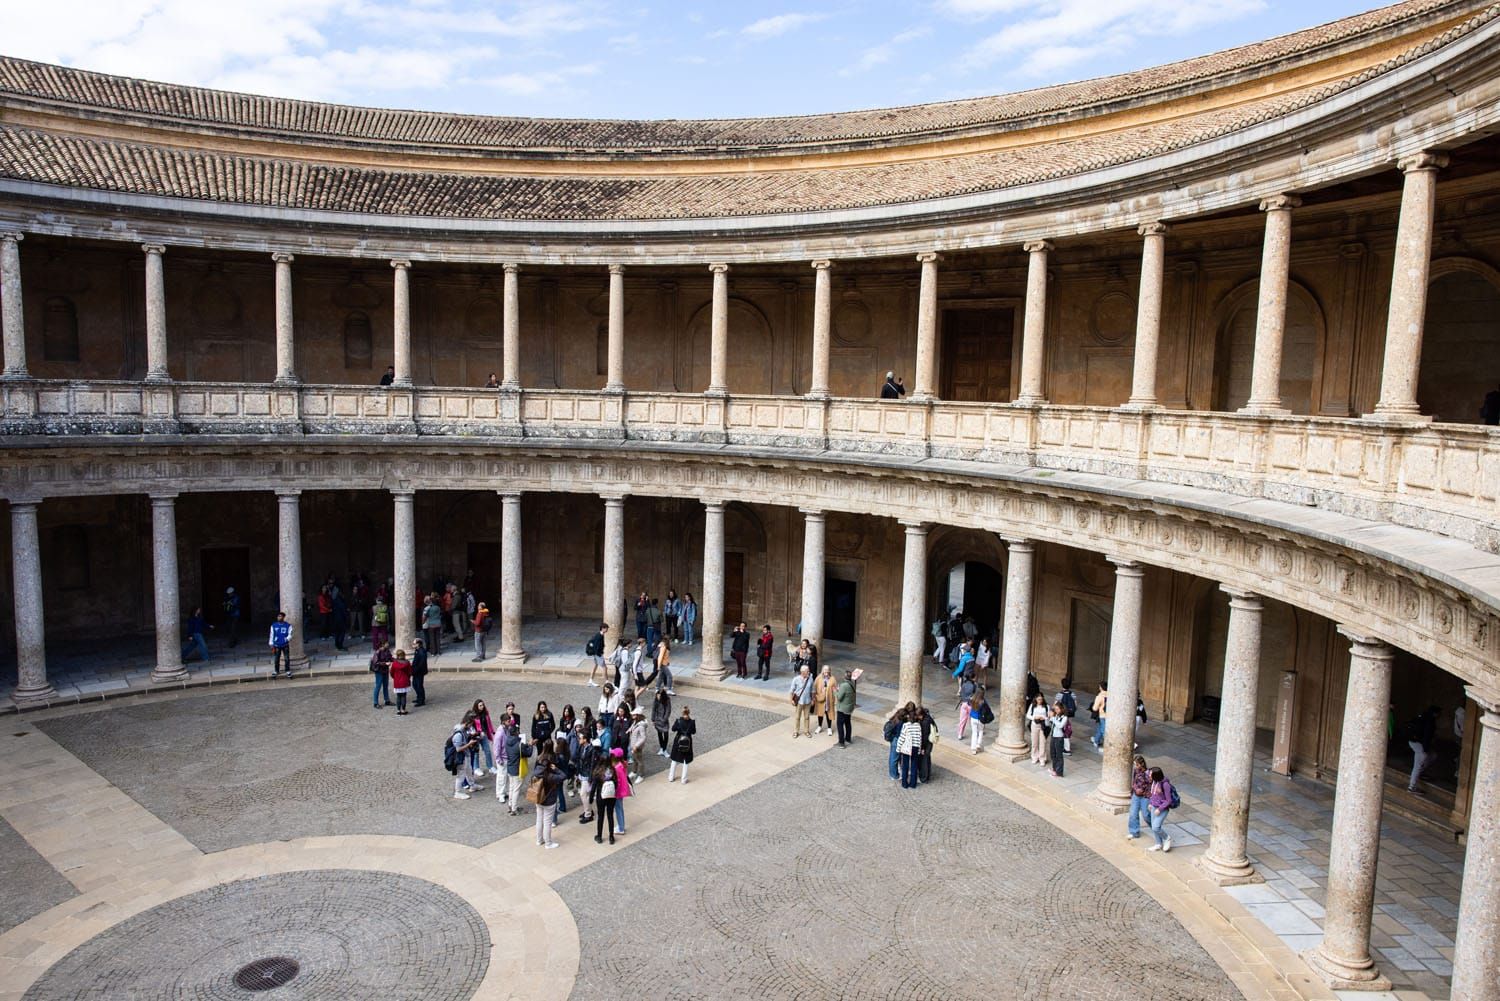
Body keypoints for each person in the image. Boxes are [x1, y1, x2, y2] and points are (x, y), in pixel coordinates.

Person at [1405, 705, 1441, 792]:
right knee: (1419, 762)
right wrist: (1425, 749)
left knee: (1433, 755)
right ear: (1435, 713)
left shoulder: (1423, 717)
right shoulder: (1429, 721)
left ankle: (1420, 772)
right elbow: (1427, 736)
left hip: (1414, 742)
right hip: (1417, 744)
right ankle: (1411, 787)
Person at [531, 752, 563, 849]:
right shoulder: (550, 776)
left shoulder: (536, 773)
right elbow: (563, 776)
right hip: (549, 800)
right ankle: (548, 843)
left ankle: (539, 840)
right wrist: (556, 769)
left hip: (538, 799)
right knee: (547, 822)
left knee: (539, 820)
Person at [500, 722, 531, 814]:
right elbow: (528, 753)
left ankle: (510, 805)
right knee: (516, 789)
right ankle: (514, 808)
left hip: (510, 767)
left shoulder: (507, 742)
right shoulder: (519, 744)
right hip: (517, 769)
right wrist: (530, 745)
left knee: (511, 788)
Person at [1147, 766, 1177, 852]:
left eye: (1151, 774)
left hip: (1162, 809)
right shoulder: (1154, 782)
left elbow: (1168, 800)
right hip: (1153, 806)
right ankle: (1158, 844)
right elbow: (1153, 794)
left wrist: (1159, 809)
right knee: (1154, 826)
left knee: (1156, 827)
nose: (1149, 775)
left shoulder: (1165, 785)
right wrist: (1150, 803)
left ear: (1156, 775)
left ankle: (1167, 838)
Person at [589, 759, 617, 844]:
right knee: (610, 816)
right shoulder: (612, 771)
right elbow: (616, 783)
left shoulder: (598, 773)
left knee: (600, 817)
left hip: (601, 797)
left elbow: (593, 787)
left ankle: (599, 836)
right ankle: (611, 837)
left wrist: (590, 798)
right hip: (611, 797)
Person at [449, 723, 479, 799]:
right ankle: (457, 792)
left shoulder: (464, 731)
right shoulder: (459, 734)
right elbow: (458, 749)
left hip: (466, 755)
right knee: (461, 774)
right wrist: (469, 744)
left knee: (469, 770)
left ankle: (472, 785)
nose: (471, 727)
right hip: (460, 757)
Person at [1126, 755, 1152, 839]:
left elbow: (1150, 785)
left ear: (1142, 764)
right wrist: (1134, 789)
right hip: (1136, 795)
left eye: (1137, 765)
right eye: (1134, 764)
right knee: (1133, 814)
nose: (1135, 766)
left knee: (1146, 815)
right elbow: (1134, 782)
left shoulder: (1148, 773)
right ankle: (1134, 832)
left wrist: (1144, 791)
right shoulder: (1135, 771)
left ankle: (1156, 827)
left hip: (1145, 796)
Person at [668, 706, 696, 782]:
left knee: (674, 759)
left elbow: (673, 729)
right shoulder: (692, 722)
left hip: (678, 741)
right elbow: (693, 732)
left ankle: (671, 777)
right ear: (689, 713)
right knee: (686, 761)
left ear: (682, 713)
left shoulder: (678, 721)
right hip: (687, 742)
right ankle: (683, 779)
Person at [897, 708, 922, 788]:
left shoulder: (906, 725)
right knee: (914, 765)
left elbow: (902, 737)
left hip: (907, 747)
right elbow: (919, 737)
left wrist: (898, 748)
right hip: (915, 747)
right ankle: (913, 783)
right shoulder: (918, 726)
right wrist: (919, 749)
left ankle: (904, 783)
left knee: (905, 766)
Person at [609, 747, 632, 835]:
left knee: (618, 809)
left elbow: (617, 781)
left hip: (618, 791)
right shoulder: (623, 764)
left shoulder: (616, 768)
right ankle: (621, 825)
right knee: (620, 808)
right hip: (622, 790)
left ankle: (621, 827)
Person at [472, 699, 497, 775]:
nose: (482, 707)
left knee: (487, 750)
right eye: (480, 705)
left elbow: (489, 723)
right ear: (476, 706)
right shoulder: (473, 715)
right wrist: (476, 733)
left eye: (482, 705)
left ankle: (490, 766)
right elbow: (471, 726)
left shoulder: (485, 713)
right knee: (476, 752)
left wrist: (492, 731)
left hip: (484, 734)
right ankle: (476, 768)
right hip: (476, 736)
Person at [790, 664, 815, 737]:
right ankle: (796, 731)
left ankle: (806, 731)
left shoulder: (810, 679)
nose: (809, 672)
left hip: (808, 701)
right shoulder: (796, 679)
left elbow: (812, 690)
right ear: (803, 672)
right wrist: (791, 700)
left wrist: (813, 699)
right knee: (797, 717)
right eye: (807, 671)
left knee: (807, 717)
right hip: (799, 702)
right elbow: (791, 690)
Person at [834, 669, 857, 747]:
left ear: (844, 676)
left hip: (842, 708)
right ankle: (848, 738)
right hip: (849, 707)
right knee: (847, 723)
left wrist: (835, 691)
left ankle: (841, 742)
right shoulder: (852, 683)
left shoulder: (844, 685)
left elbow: (839, 697)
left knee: (840, 725)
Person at [813, 664, 836, 736]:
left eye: (827, 670)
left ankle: (829, 728)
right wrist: (816, 695)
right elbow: (814, 687)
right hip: (820, 699)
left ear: (829, 671)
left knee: (828, 714)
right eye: (825, 670)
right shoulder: (819, 678)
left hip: (829, 700)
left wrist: (835, 699)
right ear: (822, 671)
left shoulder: (832, 679)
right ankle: (819, 726)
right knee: (820, 713)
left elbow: (835, 690)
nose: (826, 672)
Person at [1028, 693, 1051, 766]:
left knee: (1042, 742)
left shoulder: (1047, 706)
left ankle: (1042, 758)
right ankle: (1034, 757)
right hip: (1034, 725)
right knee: (1034, 742)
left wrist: (1044, 718)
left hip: (1043, 726)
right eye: (1038, 699)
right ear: (1036, 699)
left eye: (1041, 699)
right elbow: (1028, 715)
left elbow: (1049, 717)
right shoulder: (1032, 706)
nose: (1040, 701)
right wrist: (1035, 717)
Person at [1048, 700, 1069, 775]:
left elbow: (1060, 725)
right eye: (1055, 709)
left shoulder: (1065, 718)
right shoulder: (1056, 715)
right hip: (1053, 736)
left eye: (1057, 709)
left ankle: (1059, 772)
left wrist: (1053, 718)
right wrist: (1051, 717)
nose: (1056, 711)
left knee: (1059, 755)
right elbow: (1050, 722)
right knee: (1053, 753)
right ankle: (1054, 769)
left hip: (1059, 738)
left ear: (1062, 709)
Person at [884, 706, 905, 781]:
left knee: (893, 757)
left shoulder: (894, 719)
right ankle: (894, 775)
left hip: (893, 740)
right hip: (896, 740)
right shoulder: (901, 723)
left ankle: (894, 773)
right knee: (894, 758)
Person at [269, 611, 293, 677]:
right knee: (277, 658)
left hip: (285, 645)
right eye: (278, 616)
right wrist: (271, 643)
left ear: (283, 617)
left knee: (287, 658)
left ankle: (287, 670)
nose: (279, 617)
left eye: (280, 616)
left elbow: (290, 634)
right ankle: (276, 670)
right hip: (276, 645)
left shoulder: (288, 625)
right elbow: (272, 635)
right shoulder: (273, 625)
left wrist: (286, 639)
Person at [369, 641, 392, 708]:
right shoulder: (377, 652)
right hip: (379, 672)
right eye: (386, 643)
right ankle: (375, 703)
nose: (388, 644)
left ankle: (387, 700)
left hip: (385, 671)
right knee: (378, 686)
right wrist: (385, 663)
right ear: (383, 644)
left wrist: (398, 660)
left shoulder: (387, 651)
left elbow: (390, 658)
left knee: (385, 686)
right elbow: (375, 662)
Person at [389, 649, 412, 714]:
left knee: (398, 696)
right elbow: (409, 672)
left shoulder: (394, 663)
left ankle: (398, 710)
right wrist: (407, 678)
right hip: (405, 681)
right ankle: (403, 710)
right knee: (404, 696)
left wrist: (395, 678)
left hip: (397, 682)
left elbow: (391, 673)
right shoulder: (407, 663)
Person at [651, 687, 672, 758]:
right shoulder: (656, 700)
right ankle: (661, 748)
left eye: (659, 695)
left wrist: (664, 719)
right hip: (657, 719)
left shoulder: (667, 700)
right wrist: (653, 719)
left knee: (666, 734)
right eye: (657, 695)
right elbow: (653, 709)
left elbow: (668, 710)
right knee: (659, 734)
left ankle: (664, 749)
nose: (658, 697)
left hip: (664, 720)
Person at [410, 638, 429, 706]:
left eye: (414, 644)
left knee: (419, 685)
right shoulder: (417, 650)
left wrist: (414, 670)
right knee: (415, 684)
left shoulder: (421, 652)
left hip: (419, 671)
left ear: (418, 644)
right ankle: (419, 697)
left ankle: (421, 700)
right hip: (416, 671)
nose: (412, 645)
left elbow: (421, 664)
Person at [1091, 681, 1109, 751]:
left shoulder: (1100, 696)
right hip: (1110, 715)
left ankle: (1106, 746)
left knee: (1103, 730)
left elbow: (1095, 708)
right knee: (1100, 727)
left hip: (1102, 715)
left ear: (1101, 688)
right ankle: (1096, 740)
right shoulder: (1111, 695)